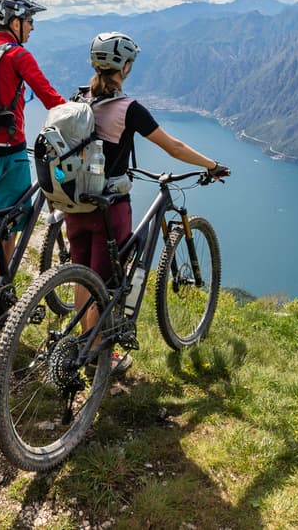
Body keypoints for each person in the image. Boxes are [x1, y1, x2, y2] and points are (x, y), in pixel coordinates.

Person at [67, 31, 230, 375]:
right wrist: (210, 165)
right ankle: (99, 354)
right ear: (124, 67)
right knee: (107, 281)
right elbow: (173, 147)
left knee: (82, 276)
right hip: (109, 209)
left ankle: (84, 340)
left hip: (75, 203)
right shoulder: (129, 108)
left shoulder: (79, 98)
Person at [0, 0, 66, 276]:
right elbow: (51, 99)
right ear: (15, 21)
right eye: (30, 21)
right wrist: (82, 113)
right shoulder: (17, 54)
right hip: (8, 155)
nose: (32, 27)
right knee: (7, 230)